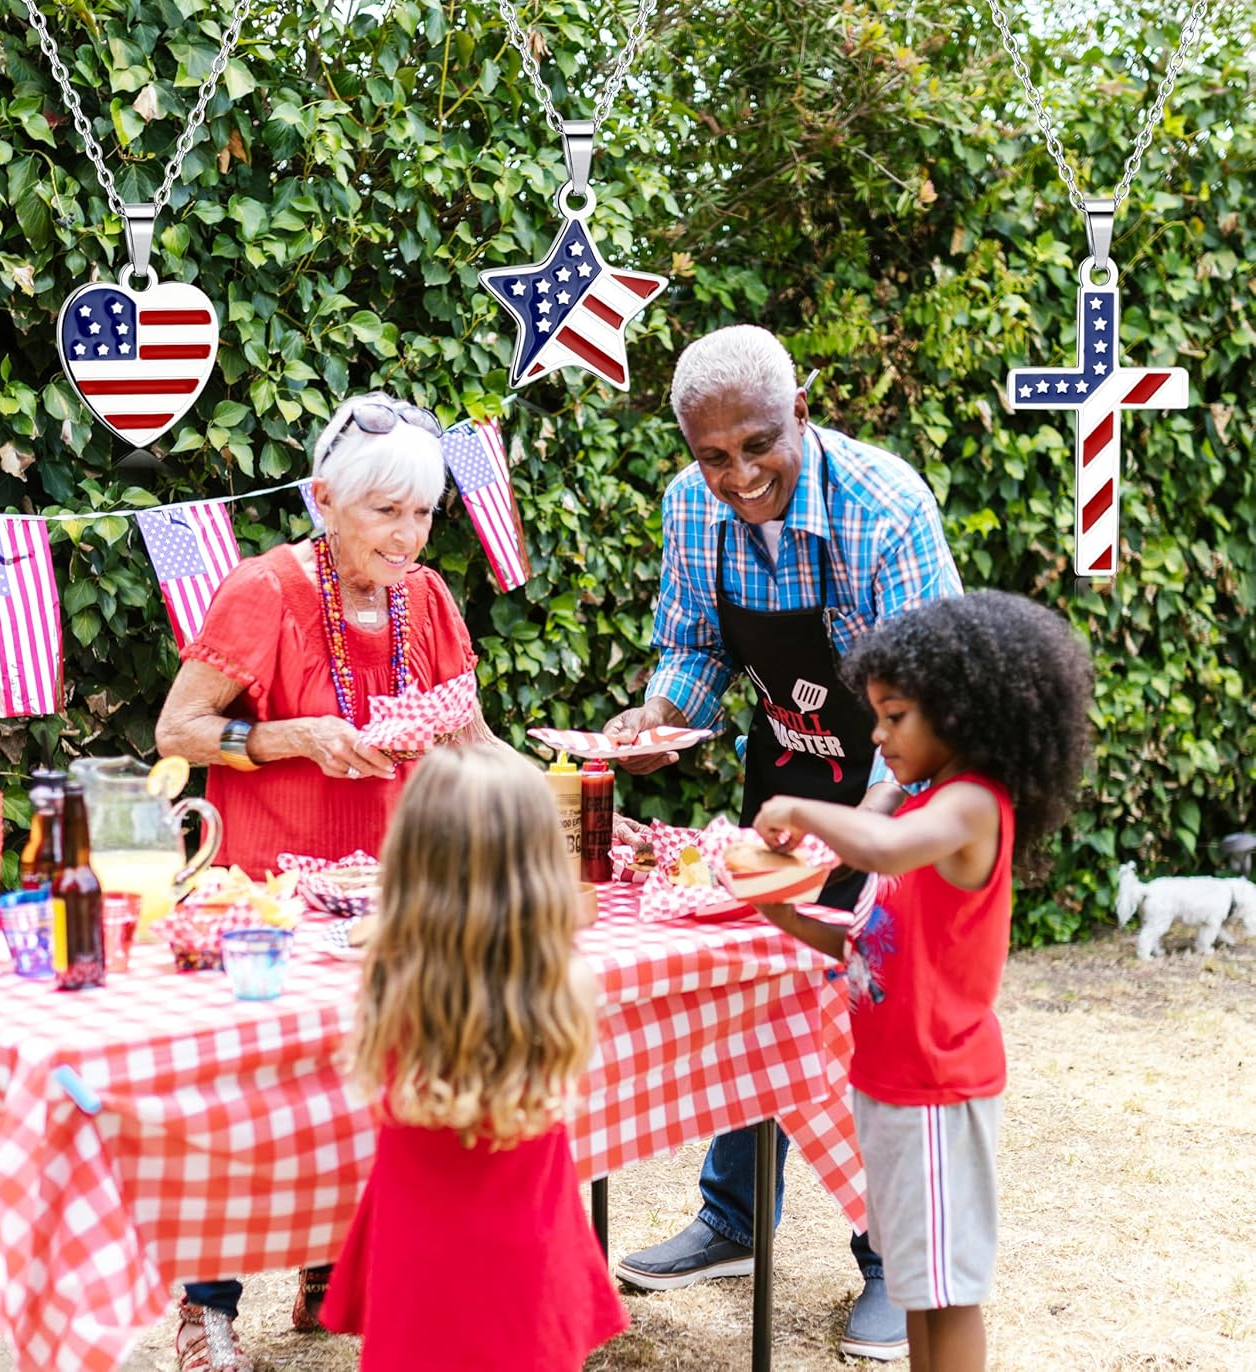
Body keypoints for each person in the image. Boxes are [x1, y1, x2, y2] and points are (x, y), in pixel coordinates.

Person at [604, 324, 961, 1360]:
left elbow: (929, 701)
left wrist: (867, 849)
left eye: (756, 444)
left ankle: (897, 1263)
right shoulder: (688, 506)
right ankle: (732, 1217)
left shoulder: (881, 507)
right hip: (789, 776)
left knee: (877, 1011)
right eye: (710, 456)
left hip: (903, 779)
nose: (736, 475)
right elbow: (692, 646)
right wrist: (655, 722)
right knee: (762, 983)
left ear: (799, 412)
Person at [156, 392, 498, 1372]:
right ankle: (207, 1307)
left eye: (422, 513)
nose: (407, 534)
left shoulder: (427, 600)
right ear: (322, 500)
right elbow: (177, 733)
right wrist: (282, 737)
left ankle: (326, 1275)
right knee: (246, 1100)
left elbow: (467, 736)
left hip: (390, 900)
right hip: (266, 901)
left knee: (370, 1083)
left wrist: (565, 782)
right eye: (383, 511)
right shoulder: (264, 589)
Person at [743, 590, 1093, 1372]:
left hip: (939, 1088)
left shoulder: (969, 806)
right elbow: (870, 940)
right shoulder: (929, 799)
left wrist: (801, 805)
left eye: (893, 715)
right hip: (889, 1083)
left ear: (960, 712)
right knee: (915, 1288)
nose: (876, 735)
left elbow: (883, 852)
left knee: (947, 1291)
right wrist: (780, 912)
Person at [320, 745, 630, 1369]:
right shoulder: (555, 988)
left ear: (411, 861)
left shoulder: (390, 983)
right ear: (541, 866)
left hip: (419, 1260)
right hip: (528, 1265)